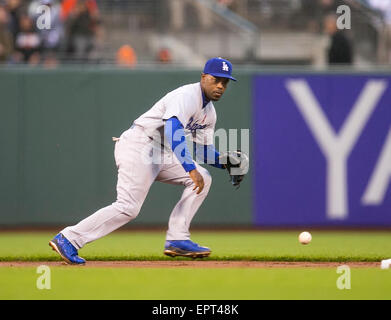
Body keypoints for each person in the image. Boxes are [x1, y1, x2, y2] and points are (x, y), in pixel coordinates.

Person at [49, 57, 239, 265]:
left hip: (159, 153)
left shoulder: (209, 113)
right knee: (128, 206)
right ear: (203, 77)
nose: (220, 85)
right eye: (216, 79)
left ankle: (177, 238)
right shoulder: (187, 96)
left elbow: (203, 152)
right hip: (139, 145)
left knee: (203, 176)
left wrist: (226, 163)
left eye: (225, 82)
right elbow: (173, 130)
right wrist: (189, 168)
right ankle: (69, 238)